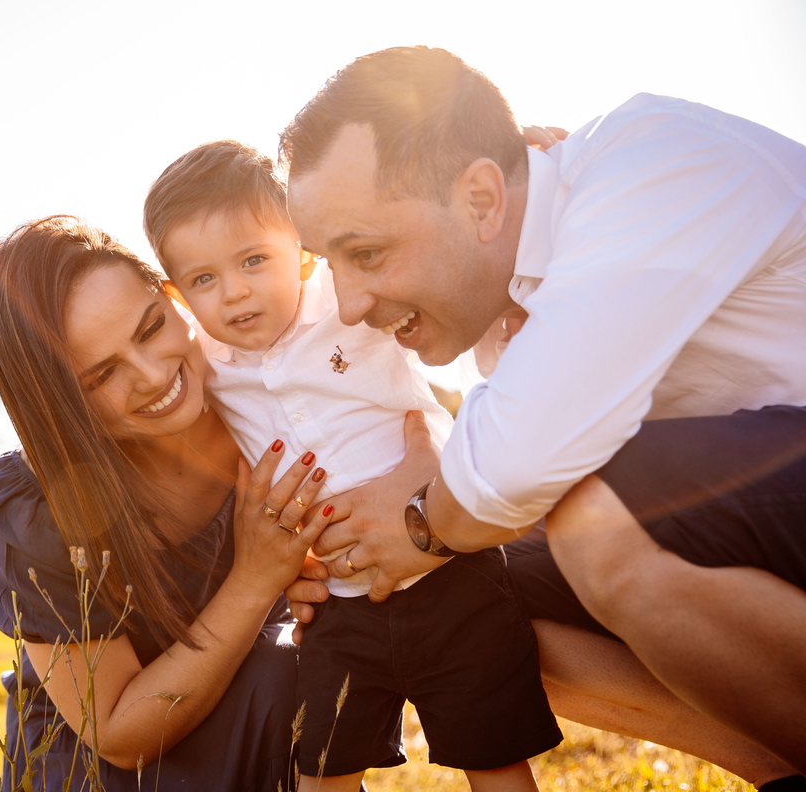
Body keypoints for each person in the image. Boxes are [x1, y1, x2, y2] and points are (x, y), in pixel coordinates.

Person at [279, 46, 806, 776]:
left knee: (596, 518)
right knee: (482, 596)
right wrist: (349, 556)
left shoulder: (648, 164)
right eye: (325, 263)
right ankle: (780, 765)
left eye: (365, 253)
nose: (349, 304)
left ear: (483, 200)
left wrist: (417, 526)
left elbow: (516, 466)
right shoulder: (518, 300)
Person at [142, 139, 559, 792]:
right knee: (323, 768)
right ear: (177, 295)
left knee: (494, 754)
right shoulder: (209, 372)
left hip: (451, 575)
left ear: (304, 251)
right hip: (337, 610)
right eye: (204, 280)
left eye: (255, 259)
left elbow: (437, 263)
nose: (237, 292)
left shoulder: (349, 303)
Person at [0, 215, 335, 791]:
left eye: (150, 329)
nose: (152, 376)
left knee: (308, 661)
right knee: (280, 666)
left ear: (175, 297)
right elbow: (116, 735)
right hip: (100, 771)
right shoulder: (41, 507)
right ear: (59, 403)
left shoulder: (266, 399)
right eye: (102, 375)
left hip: (255, 713)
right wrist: (257, 578)